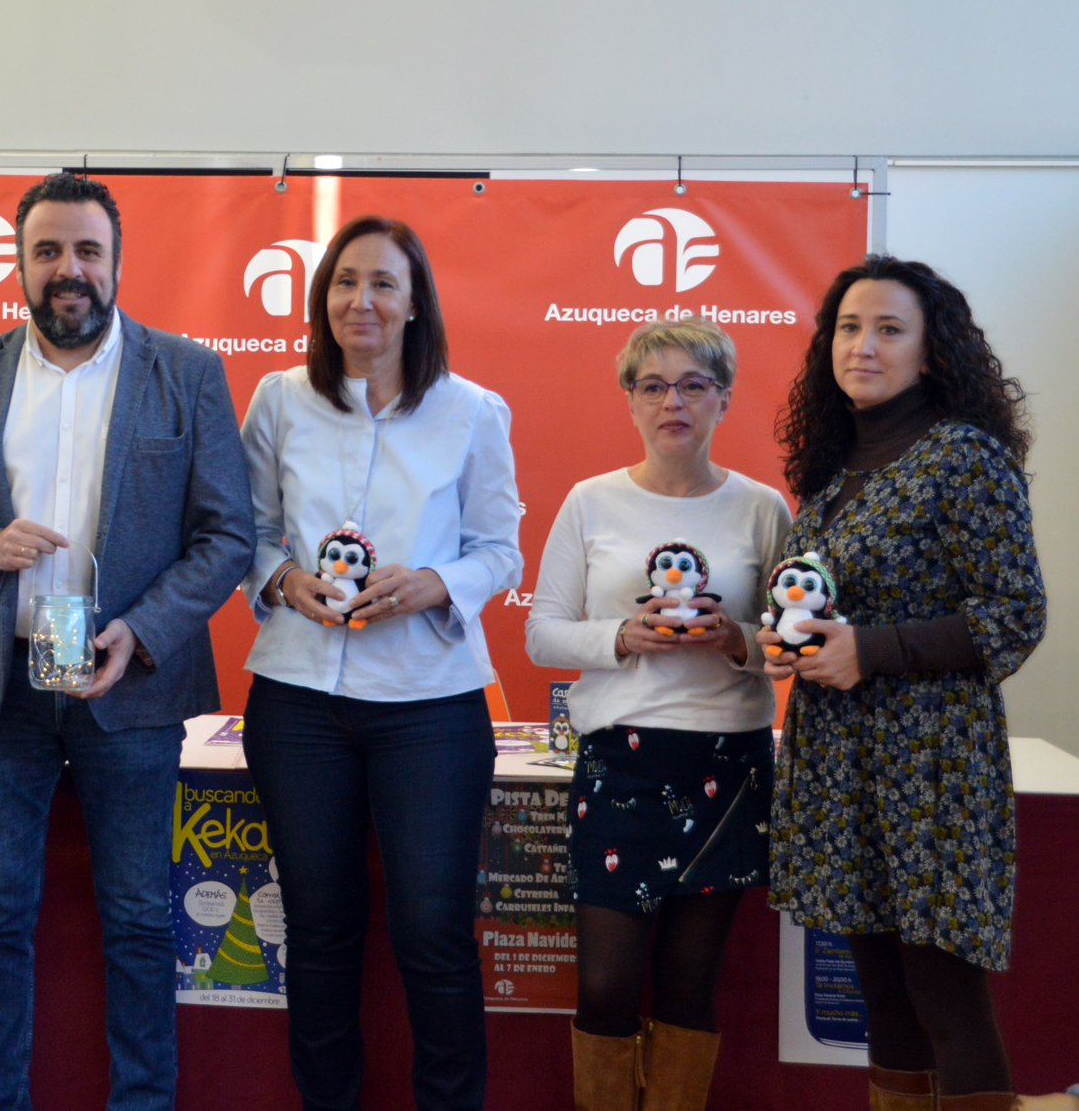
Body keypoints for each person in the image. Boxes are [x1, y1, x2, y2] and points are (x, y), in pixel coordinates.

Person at [0, 172, 254, 1111]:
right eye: (48, 250)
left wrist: (143, 629)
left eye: (87, 250)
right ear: (18, 264)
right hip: (0, 688)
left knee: (137, 918)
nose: (69, 269)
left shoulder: (187, 372)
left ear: (117, 262)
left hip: (128, 684)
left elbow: (228, 535)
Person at [238, 215, 522, 1111]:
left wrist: (436, 583)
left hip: (430, 708)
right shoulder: (280, 399)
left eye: (384, 283)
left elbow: (500, 549)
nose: (361, 300)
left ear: (415, 303)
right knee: (320, 928)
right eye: (345, 281)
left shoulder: (472, 410)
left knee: (433, 930)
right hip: (298, 702)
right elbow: (246, 532)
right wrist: (284, 580)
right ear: (322, 298)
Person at [762, 257, 1056, 1111]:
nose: (862, 345)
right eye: (848, 327)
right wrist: (790, 642)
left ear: (930, 352)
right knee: (881, 998)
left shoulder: (964, 455)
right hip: (840, 759)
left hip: (931, 762)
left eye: (889, 329)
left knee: (945, 997)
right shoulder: (831, 468)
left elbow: (1015, 612)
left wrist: (872, 649)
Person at [525, 318, 790, 1111]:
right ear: (631, 402)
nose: (673, 401)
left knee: (688, 986)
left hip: (727, 764)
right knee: (606, 986)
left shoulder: (762, 507)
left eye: (693, 385)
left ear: (724, 399)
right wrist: (620, 635)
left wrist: (737, 638)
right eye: (654, 386)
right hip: (620, 761)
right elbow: (542, 632)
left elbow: (791, 645)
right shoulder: (589, 500)